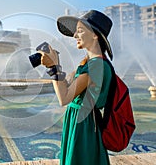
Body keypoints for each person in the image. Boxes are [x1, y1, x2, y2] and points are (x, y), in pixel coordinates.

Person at [39, 10, 113, 165]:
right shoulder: (89, 63)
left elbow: (64, 98)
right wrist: (55, 63)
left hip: (84, 125)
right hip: (81, 121)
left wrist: (53, 68)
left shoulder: (96, 65)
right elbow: (68, 87)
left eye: (80, 31)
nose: (75, 36)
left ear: (95, 35)